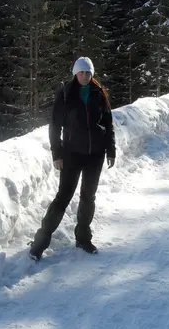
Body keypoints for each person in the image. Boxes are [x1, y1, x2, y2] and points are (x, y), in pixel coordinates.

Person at [29, 57, 116, 261]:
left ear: (91, 74)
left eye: (88, 73)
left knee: (88, 196)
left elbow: (108, 124)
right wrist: (57, 153)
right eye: (81, 72)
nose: (84, 76)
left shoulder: (99, 93)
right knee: (63, 196)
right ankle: (40, 242)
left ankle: (83, 238)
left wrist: (111, 150)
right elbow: (55, 126)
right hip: (71, 154)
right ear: (75, 73)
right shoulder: (66, 94)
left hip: (95, 154)